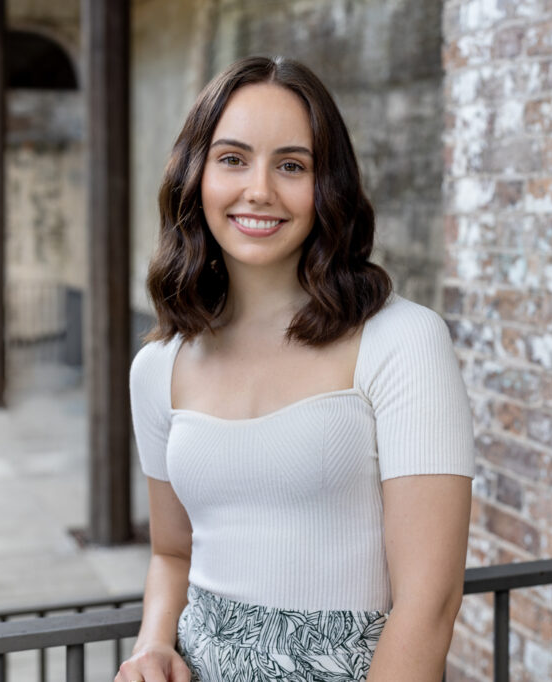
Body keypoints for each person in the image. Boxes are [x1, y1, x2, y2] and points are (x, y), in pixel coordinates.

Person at [118, 55, 475, 682]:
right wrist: (152, 645)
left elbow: (430, 604)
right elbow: (172, 553)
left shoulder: (402, 341)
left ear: (327, 186)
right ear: (196, 176)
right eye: (232, 159)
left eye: (291, 165)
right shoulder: (157, 367)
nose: (259, 189)